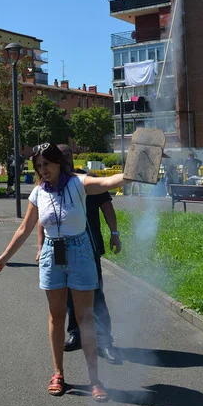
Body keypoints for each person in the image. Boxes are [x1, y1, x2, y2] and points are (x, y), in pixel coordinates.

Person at [0, 142, 132, 401]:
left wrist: (133, 173)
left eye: (47, 164)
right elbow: (24, 228)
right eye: (39, 166)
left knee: (85, 318)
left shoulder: (78, 183)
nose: (43, 170)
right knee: (56, 317)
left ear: (58, 163)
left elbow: (108, 183)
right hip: (51, 253)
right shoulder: (38, 193)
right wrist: (4, 257)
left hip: (80, 252)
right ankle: (58, 374)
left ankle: (94, 379)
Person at [36, 145, 122, 365]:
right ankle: (75, 333)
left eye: (67, 156)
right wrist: (40, 247)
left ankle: (104, 341)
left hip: (88, 247)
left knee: (95, 296)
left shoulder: (85, 180)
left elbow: (107, 207)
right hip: (59, 250)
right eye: (60, 157)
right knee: (67, 298)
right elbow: (43, 218)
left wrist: (114, 233)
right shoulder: (51, 185)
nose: (64, 160)